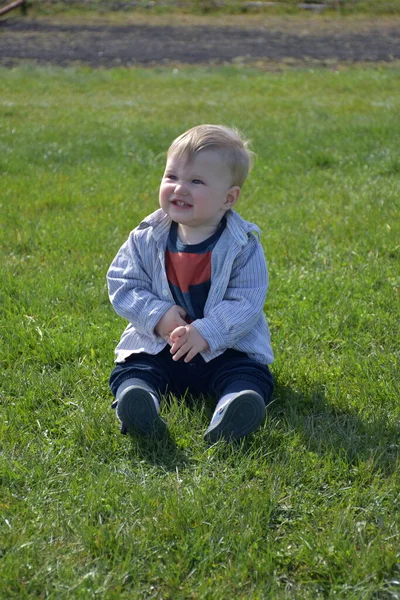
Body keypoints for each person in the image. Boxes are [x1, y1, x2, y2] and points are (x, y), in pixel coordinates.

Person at [107, 124, 274, 443]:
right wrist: (157, 316)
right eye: (172, 177)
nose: (179, 188)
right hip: (162, 345)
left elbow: (247, 301)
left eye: (196, 181)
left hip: (224, 349)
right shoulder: (145, 237)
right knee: (135, 368)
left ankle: (233, 407)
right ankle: (138, 400)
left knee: (249, 374)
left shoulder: (243, 245)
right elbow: (123, 282)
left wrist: (206, 332)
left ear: (229, 197)